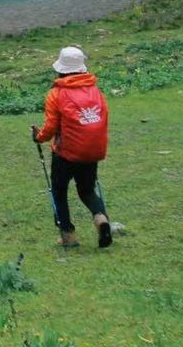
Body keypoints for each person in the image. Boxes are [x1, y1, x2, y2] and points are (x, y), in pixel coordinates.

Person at [32, 45, 112, 249]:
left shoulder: (56, 94)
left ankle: (68, 235)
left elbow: (50, 127)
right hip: (92, 150)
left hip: (66, 153)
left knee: (59, 191)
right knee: (86, 190)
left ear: (61, 68)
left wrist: (39, 137)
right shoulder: (95, 90)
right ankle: (101, 218)